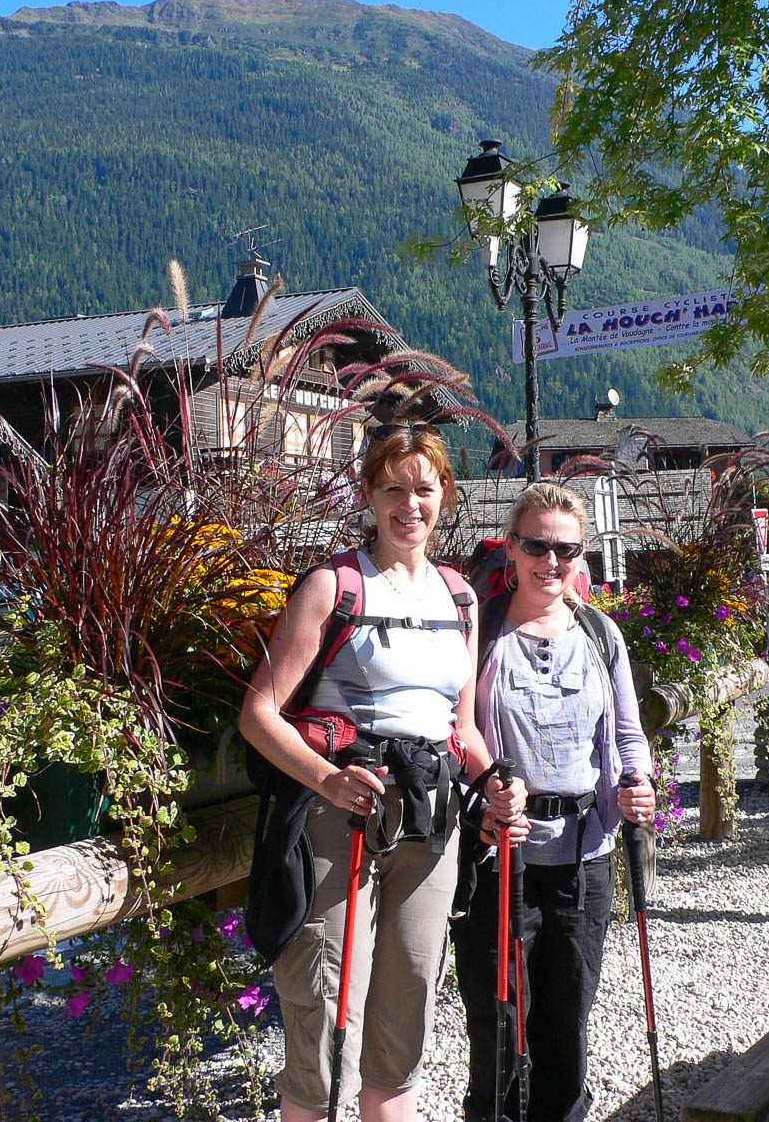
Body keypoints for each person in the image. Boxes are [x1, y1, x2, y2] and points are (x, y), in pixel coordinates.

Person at [238, 422, 526, 1122]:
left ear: (444, 497)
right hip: (344, 819)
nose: (409, 504)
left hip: (434, 824)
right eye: (393, 488)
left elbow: (460, 731)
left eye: (424, 489)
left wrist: (496, 781)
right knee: (327, 1022)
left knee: (405, 1026)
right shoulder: (333, 586)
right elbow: (258, 712)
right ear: (368, 493)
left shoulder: (459, 598)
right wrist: (326, 779)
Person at [453, 482, 655, 1122]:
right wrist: (479, 801)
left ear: (582, 556)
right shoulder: (479, 634)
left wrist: (639, 782)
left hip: (583, 859)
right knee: (499, 1026)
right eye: (537, 545)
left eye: (566, 549)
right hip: (501, 859)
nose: (552, 561)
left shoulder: (601, 634)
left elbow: (627, 733)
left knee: (568, 1024)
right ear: (512, 548)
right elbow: (456, 732)